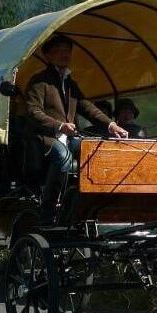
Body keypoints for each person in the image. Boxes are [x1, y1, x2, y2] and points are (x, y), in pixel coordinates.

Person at [25, 34, 128, 223]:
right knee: (62, 157)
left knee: (95, 152)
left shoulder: (70, 84)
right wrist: (60, 126)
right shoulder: (39, 81)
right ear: (48, 56)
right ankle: (48, 208)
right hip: (45, 138)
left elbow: (87, 106)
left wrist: (110, 124)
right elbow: (33, 112)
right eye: (59, 51)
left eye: (67, 51)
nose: (65, 55)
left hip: (70, 138)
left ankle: (87, 204)